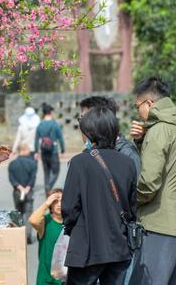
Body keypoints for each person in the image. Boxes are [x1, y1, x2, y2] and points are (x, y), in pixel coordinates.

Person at [128, 76, 176, 285]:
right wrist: (142, 141)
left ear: (149, 104)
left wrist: (130, 202)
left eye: (138, 107)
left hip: (161, 226)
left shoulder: (158, 130)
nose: (138, 113)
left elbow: (149, 183)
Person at [61, 107, 138, 285]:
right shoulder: (127, 163)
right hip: (118, 247)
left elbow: (69, 207)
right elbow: (132, 208)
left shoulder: (79, 162)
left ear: (90, 133)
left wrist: (71, 226)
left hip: (86, 247)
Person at [80, 96, 141, 174]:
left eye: (85, 119)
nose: (82, 125)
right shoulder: (90, 153)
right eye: (81, 120)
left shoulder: (128, 154)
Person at [29, 189, 64, 285]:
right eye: (55, 201)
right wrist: (46, 203)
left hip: (64, 278)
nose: (59, 204)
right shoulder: (45, 222)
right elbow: (33, 220)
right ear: (51, 205)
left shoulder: (70, 222)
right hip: (46, 279)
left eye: (62, 200)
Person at [8, 142, 38, 244]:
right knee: (28, 213)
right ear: (24, 150)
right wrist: (27, 188)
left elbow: (11, 179)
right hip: (28, 191)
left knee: (19, 212)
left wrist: (19, 187)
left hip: (17, 191)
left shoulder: (12, 164)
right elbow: (33, 178)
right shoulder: (33, 163)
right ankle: (28, 235)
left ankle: (19, 234)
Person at [34, 104, 65, 194]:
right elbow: (60, 138)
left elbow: (36, 139)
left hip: (43, 151)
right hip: (53, 151)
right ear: (51, 112)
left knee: (46, 172)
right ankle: (49, 186)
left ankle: (47, 189)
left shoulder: (40, 124)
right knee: (56, 171)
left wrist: (36, 151)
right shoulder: (55, 124)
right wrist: (62, 150)